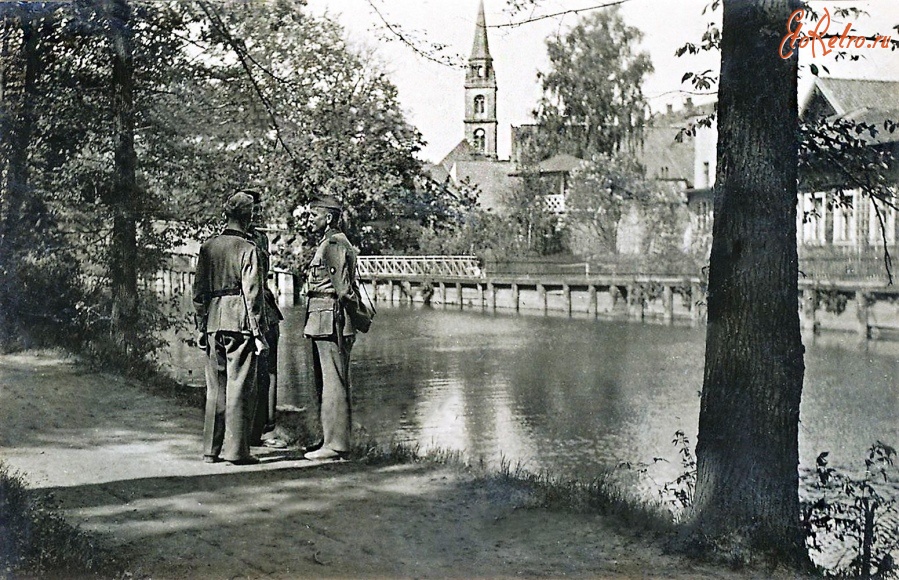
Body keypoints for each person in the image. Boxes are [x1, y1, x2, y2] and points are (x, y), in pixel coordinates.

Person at [192, 191, 268, 465]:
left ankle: (210, 450)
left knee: (215, 388)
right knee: (239, 386)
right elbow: (253, 295)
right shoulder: (248, 249)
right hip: (239, 322)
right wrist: (258, 332)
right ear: (248, 218)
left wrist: (201, 325)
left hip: (213, 320)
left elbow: (198, 292)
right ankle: (237, 451)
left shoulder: (208, 247)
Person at [302, 193, 359, 461]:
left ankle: (335, 444)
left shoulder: (334, 243)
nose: (309, 219)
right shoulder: (329, 242)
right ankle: (331, 439)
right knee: (329, 381)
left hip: (331, 319)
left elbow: (344, 290)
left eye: (314, 215)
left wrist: (352, 316)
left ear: (328, 218)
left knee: (333, 381)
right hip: (323, 319)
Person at [243, 190, 287, 449]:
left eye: (259, 209)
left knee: (268, 371)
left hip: (266, 308)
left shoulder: (262, 238)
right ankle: (243, 430)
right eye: (253, 210)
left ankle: (266, 428)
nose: (258, 214)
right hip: (244, 309)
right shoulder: (234, 240)